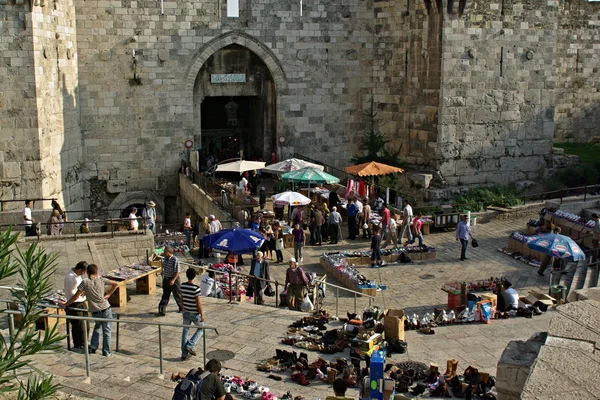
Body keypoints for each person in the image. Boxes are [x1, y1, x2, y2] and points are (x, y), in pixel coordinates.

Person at [63, 263, 119, 357]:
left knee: (97, 327)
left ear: (87, 272)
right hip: (106, 308)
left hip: (95, 310)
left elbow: (76, 296)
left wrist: (65, 304)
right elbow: (115, 284)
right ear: (96, 272)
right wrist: (108, 295)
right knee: (107, 331)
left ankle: (93, 346)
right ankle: (106, 352)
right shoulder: (101, 279)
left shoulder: (84, 282)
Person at [180, 268, 205, 360]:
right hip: (194, 313)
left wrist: (182, 308)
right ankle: (190, 345)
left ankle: (184, 354)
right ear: (194, 276)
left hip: (186, 311)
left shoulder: (182, 286)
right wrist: (202, 314)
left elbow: (181, 298)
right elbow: (198, 303)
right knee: (201, 329)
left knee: (185, 331)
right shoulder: (196, 288)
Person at [64, 261, 89, 351]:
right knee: (79, 326)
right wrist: (67, 305)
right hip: (75, 303)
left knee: (85, 324)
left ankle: (84, 342)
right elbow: (72, 295)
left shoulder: (78, 276)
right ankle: (79, 344)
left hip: (82, 301)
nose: (85, 274)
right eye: (84, 272)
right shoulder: (70, 278)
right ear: (80, 269)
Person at [157, 246, 184, 316]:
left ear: (168, 252)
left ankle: (181, 308)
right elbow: (164, 267)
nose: (164, 253)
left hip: (174, 279)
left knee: (177, 294)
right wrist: (162, 273)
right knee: (165, 294)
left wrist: (173, 280)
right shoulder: (165, 259)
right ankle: (162, 310)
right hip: (166, 278)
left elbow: (177, 272)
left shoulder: (175, 259)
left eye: (165, 252)